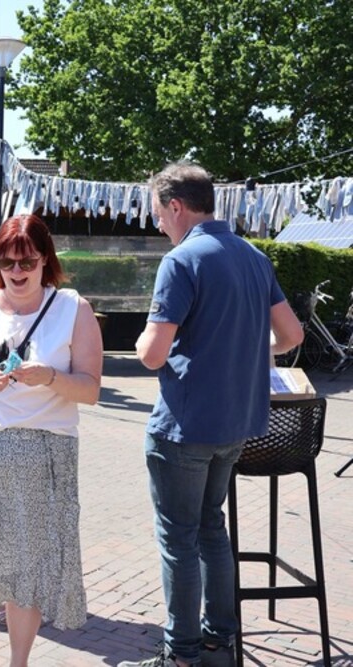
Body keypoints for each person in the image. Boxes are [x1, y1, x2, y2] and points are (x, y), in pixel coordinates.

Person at [120, 163, 304, 667]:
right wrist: (245, 348)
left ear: (176, 206)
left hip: (184, 425)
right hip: (235, 425)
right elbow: (291, 336)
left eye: (158, 213)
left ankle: (180, 655)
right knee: (211, 529)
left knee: (178, 539)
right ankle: (219, 644)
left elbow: (152, 354)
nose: (158, 223)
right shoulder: (254, 256)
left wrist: (140, 343)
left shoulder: (181, 260)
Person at [0, 214, 102, 666]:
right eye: (7, 262)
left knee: (26, 570)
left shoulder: (72, 307)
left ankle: (18, 662)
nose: (17, 271)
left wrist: (49, 377)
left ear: (45, 259)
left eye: (27, 261)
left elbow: (90, 390)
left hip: (44, 457)